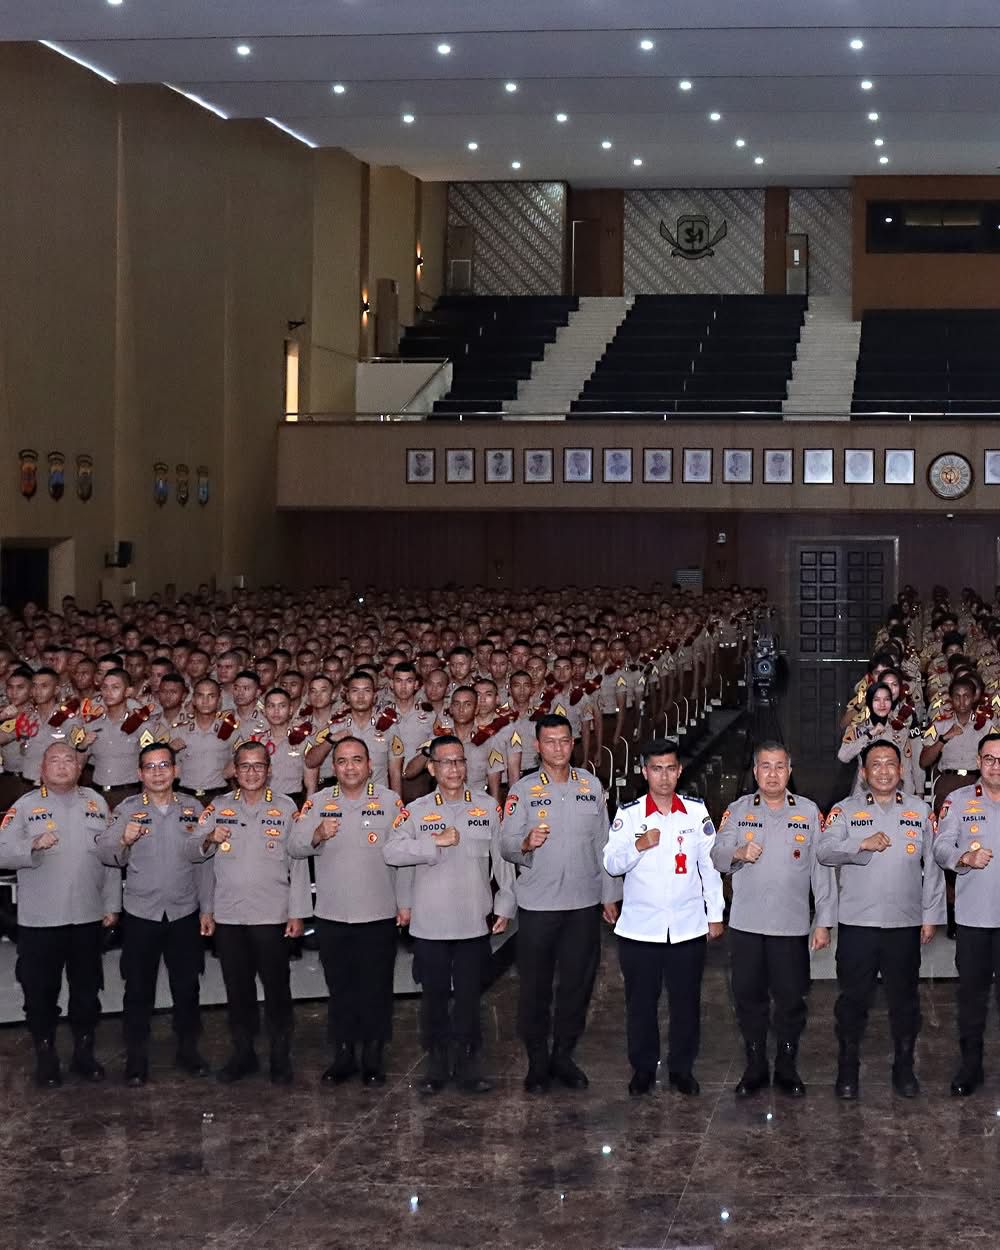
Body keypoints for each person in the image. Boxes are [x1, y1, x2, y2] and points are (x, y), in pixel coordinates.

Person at [384, 734, 515, 1095]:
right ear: (432, 768)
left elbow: (501, 859)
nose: (454, 768)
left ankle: (470, 1063)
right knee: (435, 998)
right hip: (431, 923)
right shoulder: (417, 809)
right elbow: (392, 853)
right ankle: (437, 1062)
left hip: (473, 920)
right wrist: (433, 843)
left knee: (471, 997)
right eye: (446, 762)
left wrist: (505, 903)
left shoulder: (487, 806)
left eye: (459, 761)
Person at [501, 714, 620, 1093]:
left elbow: (605, 844)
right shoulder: (522, 789)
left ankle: (564, 1054)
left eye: (564, 741)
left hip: (583, 903)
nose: (558, 748)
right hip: (538, 903)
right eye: (550, 741)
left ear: (574, 743)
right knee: (534, 986)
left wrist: (610, 894)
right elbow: (505, 843)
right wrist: (524, 844)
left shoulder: (590, 785)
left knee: (576, 984)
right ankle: (537, 1059)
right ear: (537, 746)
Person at [818, 741, 945, 1099]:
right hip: (858, 924)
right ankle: (848, 1070)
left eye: (891, 763)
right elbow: (825, 851)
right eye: (876, 765)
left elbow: (932, 869)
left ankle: (904, 1069)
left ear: (901, 770)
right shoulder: (843, 812)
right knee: (853, 1001)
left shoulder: (920, 811)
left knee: (904, 1001)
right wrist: (860, 844)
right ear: (864, 773)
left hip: (904, 924)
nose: (885, 771)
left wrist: (931, 916)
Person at [711, 742, 835, 1098]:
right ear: (755, 772)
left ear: (789, 771)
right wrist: (737, 852)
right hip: (747, 926)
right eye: (765, 766)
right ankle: (755, 1064)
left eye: (779, 766)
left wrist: (823, 920)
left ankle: (786, 1064)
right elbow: (717, 856)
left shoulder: (809, 812)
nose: (772, 774)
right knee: (748, 997)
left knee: (791, 999)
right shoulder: (737, 811)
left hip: (791, 926)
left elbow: (820, 871)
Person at [603, 738, 723, 1096]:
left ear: (680, 770)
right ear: (645, 772)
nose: (664, 776)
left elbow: (710, 867)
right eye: (657, 769)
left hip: (687, 927)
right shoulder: (630, 814)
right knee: (640, 1005)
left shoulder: (696, 812)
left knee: (686, 1003)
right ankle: (642, 1069)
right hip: (640, 930)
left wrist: (714, 914)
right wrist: (637, 846)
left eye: (671, 768)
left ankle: (681, 1069)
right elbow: (610, 863)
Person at [289, 736, 410, 1087]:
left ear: (370, 765)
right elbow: (295, 847)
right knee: (340, 987)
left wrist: (405, 904)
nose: (350, 767)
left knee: (376, 987)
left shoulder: (390, 802)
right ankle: (343, 1053)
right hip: (333, 913)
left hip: (379, 911)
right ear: (333, 767)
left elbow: (404, 859)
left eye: (357, 759)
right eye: (342, 761)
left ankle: (373, 1053)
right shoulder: (317, 803)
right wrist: (316, 834)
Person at [191, 741, 311, 1084]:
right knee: (237, 989)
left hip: (272, 914)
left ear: (269, 771)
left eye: (258, 766)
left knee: (277, 989)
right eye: (244, 766)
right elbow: (198, 859)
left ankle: (279, 1055)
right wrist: (207, 907)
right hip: (229, 916)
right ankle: (243, 1053)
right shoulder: (217, 807)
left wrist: (298, 912)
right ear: (235, 770)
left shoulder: (286, 808)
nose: (252, 772)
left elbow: (299, 865)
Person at [0, 743, 120, 1086]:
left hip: (86, 916)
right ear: (42, 768)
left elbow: (109, 857)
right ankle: (46, 1056)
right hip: (41, 920)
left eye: (70, 759)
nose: (63, 765)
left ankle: (84, 1053)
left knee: (86, 991)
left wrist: (112, 904)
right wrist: (31, 846)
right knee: (40, 992)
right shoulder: (25, 806)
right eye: (55, 759)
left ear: (80, 767)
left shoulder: (96, 803)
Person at [95, 743, 214, 1085]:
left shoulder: (193, 808)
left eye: (164, 765)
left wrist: (207, 909)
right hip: (141, 914)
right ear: (139, 774)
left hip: (184, 912)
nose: (158, 772)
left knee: (187, 987)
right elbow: (106, 853)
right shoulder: (128, 809)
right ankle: (136, 1058)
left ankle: (188, 1051)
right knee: (138, 990)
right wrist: (124, 841)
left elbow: (204, 864)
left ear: (176, 771)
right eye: (150, 766)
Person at [933, 733, 1000, 1095]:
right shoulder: (958, 802)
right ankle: (970, 1068)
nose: (995, 766)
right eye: (989, 758)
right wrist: (964, 858)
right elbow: (941, 845)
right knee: (972, 1000)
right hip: (975, 920)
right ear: (978, 761)